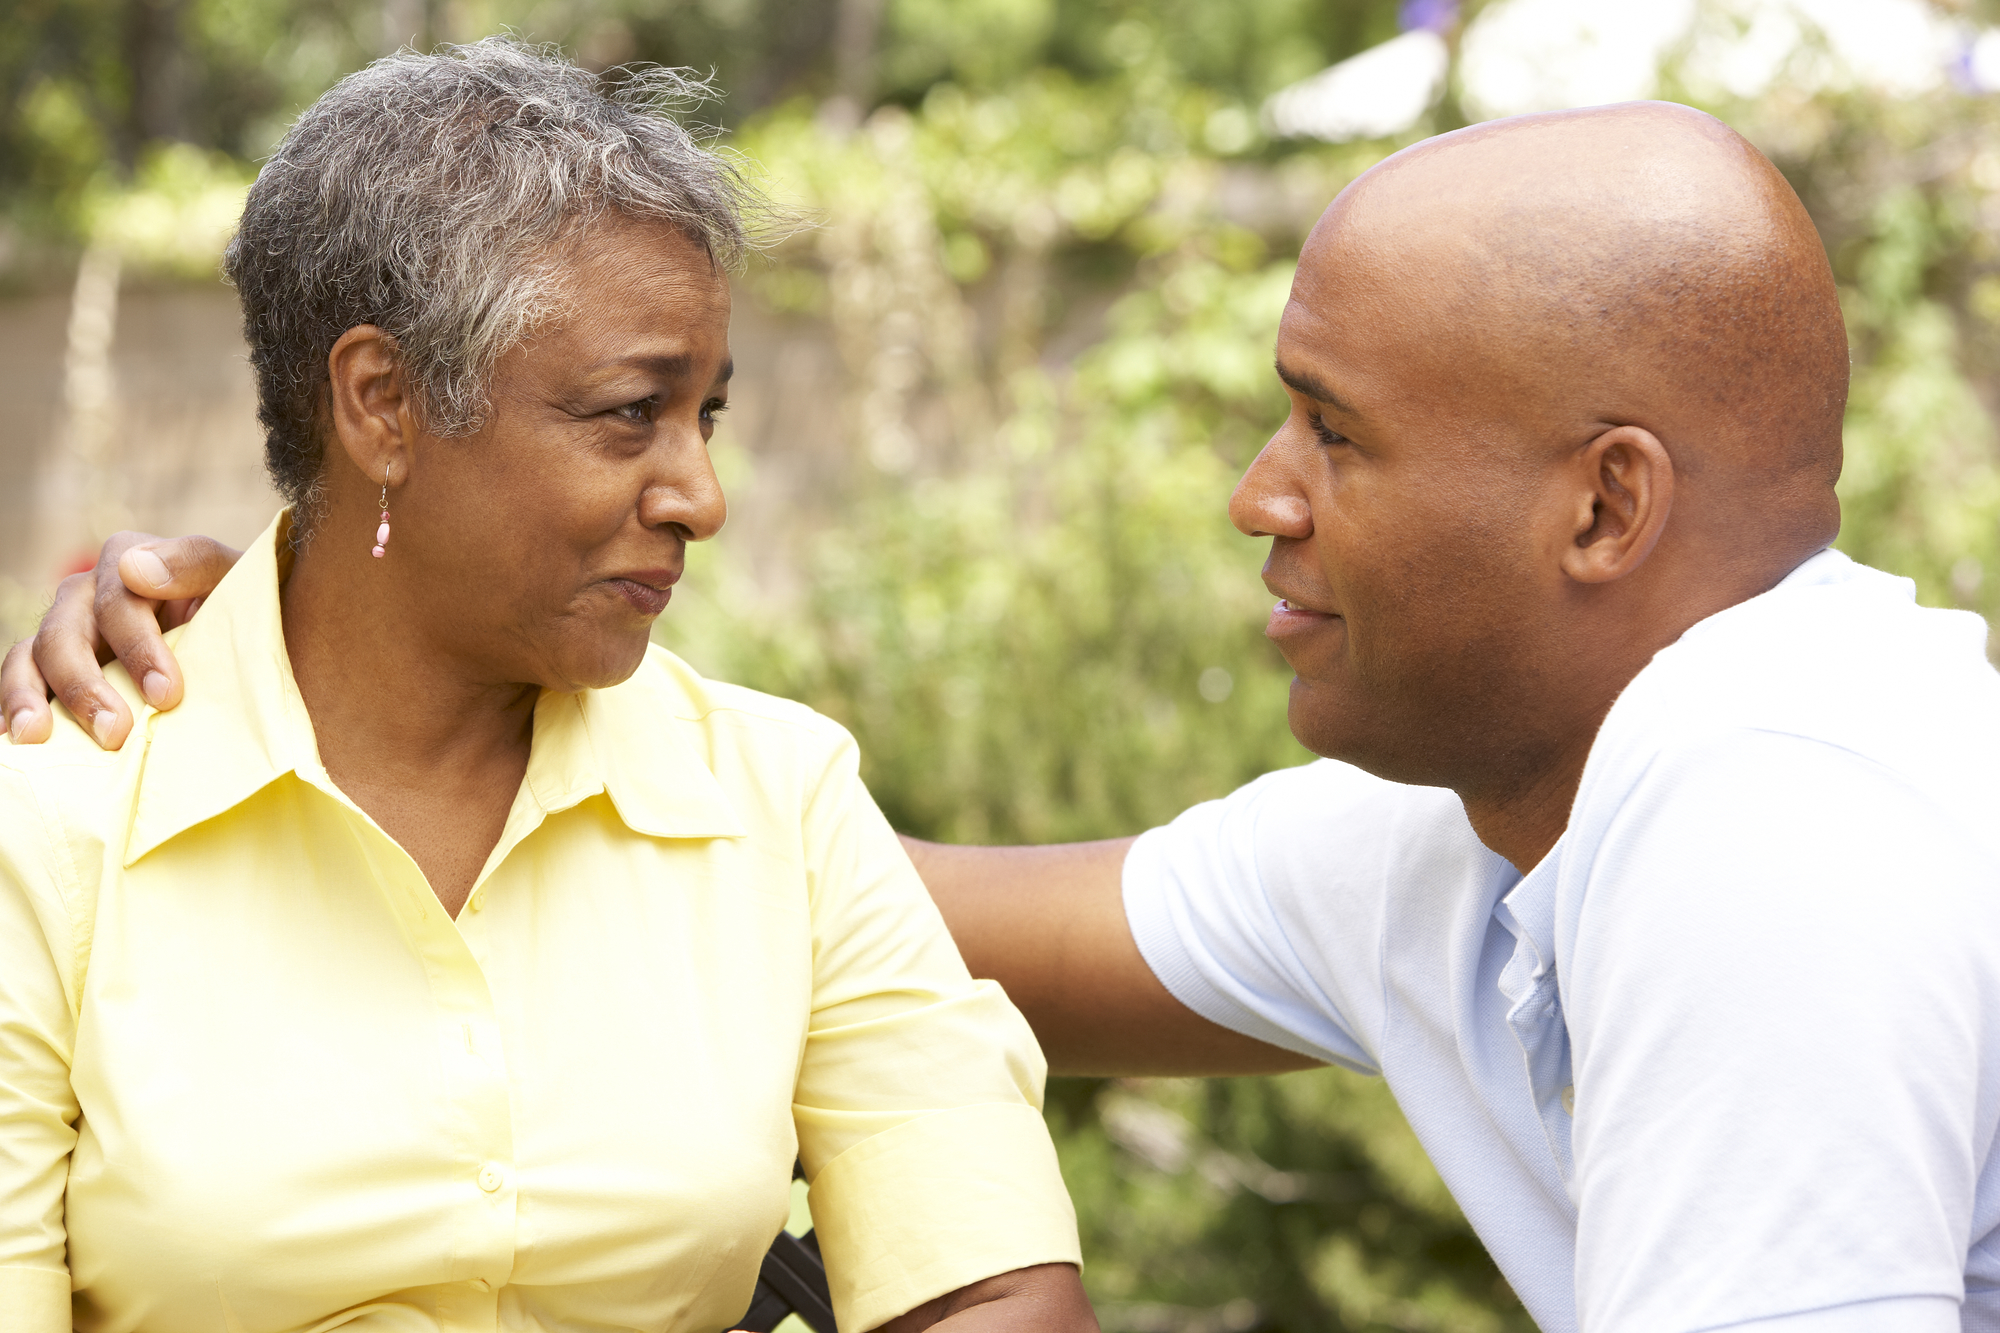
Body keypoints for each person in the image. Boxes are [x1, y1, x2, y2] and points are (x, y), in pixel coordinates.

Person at [15, 100, 2000, 1333]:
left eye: (1331, 429)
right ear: (381, 404)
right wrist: (319, 659)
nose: (1256, 491)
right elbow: (858, 909)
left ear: (1603, 505)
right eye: (634, 413)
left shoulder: (1776, 829)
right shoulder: (1478, 826)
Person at [0, 39, 1093, 1333]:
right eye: (632, 413)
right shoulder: (54, 828)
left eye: (708, 417)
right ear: (383, 404)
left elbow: (997, 1284)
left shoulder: (780, 800)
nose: (701, 494)